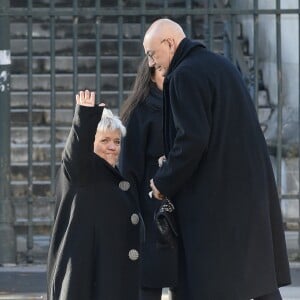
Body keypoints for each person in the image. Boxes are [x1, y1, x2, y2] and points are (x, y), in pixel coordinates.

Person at [144, 18, 291, 300]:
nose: (151, 63)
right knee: (256, 280)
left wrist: (163, 181)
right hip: (248, 191)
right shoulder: (221, 65)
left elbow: (192, 139)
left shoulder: (183, 75)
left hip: (215, 200)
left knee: (209, 282)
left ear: (170, 43)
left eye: (152, 54)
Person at [47, 90, 141, 300]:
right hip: (83, 280)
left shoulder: (115, 177)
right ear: (90, 142)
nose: (112, 147)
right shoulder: (80, 172)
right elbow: (76, 152)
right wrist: (85, 117)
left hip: (109, 279)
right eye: (105, 140)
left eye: (117, 142)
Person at [119, 57, 178, 300]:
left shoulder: (186, 104)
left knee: (185, 284)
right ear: (151, 72)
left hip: (183, 211)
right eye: (163, 70)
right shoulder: (139, 111)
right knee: (148, 286)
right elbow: (128, 171)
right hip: (149, 211)